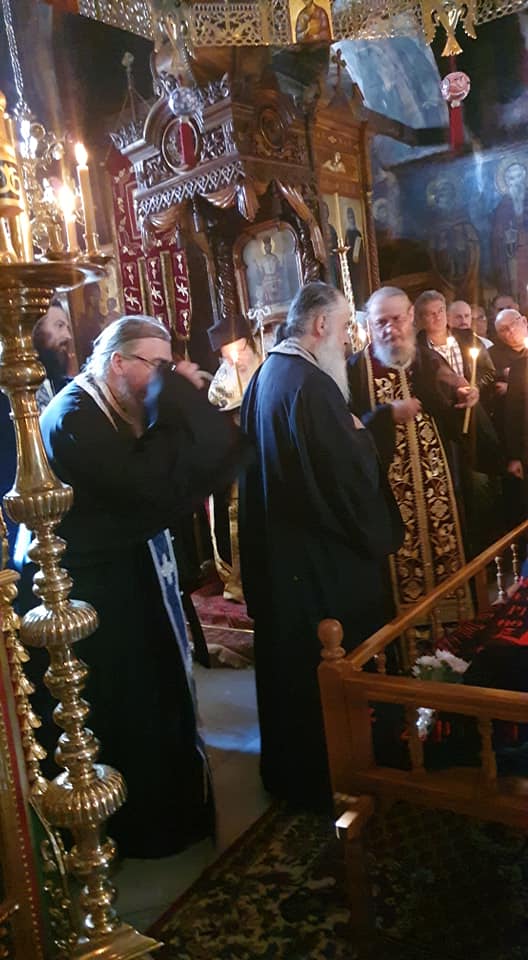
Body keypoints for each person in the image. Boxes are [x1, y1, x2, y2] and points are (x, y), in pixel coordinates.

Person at [23, 315, 246, 858]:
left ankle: (176, 815)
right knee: (131, 704)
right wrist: (178, 405)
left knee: (159, 690)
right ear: (118, 362)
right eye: (157, 366)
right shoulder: (74, 416)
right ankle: (143, 828)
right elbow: (144, 485)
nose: (164, 378)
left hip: (130, 575)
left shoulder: (114, 406)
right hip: (96, 593)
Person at [239, 281, 403, 809]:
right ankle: (345, 770)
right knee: (332, 662)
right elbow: (346, 476)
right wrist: (369, 433)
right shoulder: (311, 384)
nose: (348, 339)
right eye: (344, 327)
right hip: (320, 562)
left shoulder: (267, 373)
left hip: (284, 556)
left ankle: (297, 773)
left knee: (294, 670)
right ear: (319, 325)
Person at [348, 286, 480, 607]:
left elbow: (453, 403)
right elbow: (346, 433)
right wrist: (386, 416)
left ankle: (454, 628)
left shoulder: (427, 359)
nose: (390, 329)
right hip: (388, 495)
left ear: (410, 317)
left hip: (440, 487)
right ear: (369, 325)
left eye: (396, 319)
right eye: (381, 322)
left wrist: (466, 396)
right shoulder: (355, 370)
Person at [491, 160, 528, 312]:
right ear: (506, 182)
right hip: (513, 257)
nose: (516, 182)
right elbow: (497, 238)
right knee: (517, 287)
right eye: (512, 178)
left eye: (519, 176)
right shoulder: (502, 208)